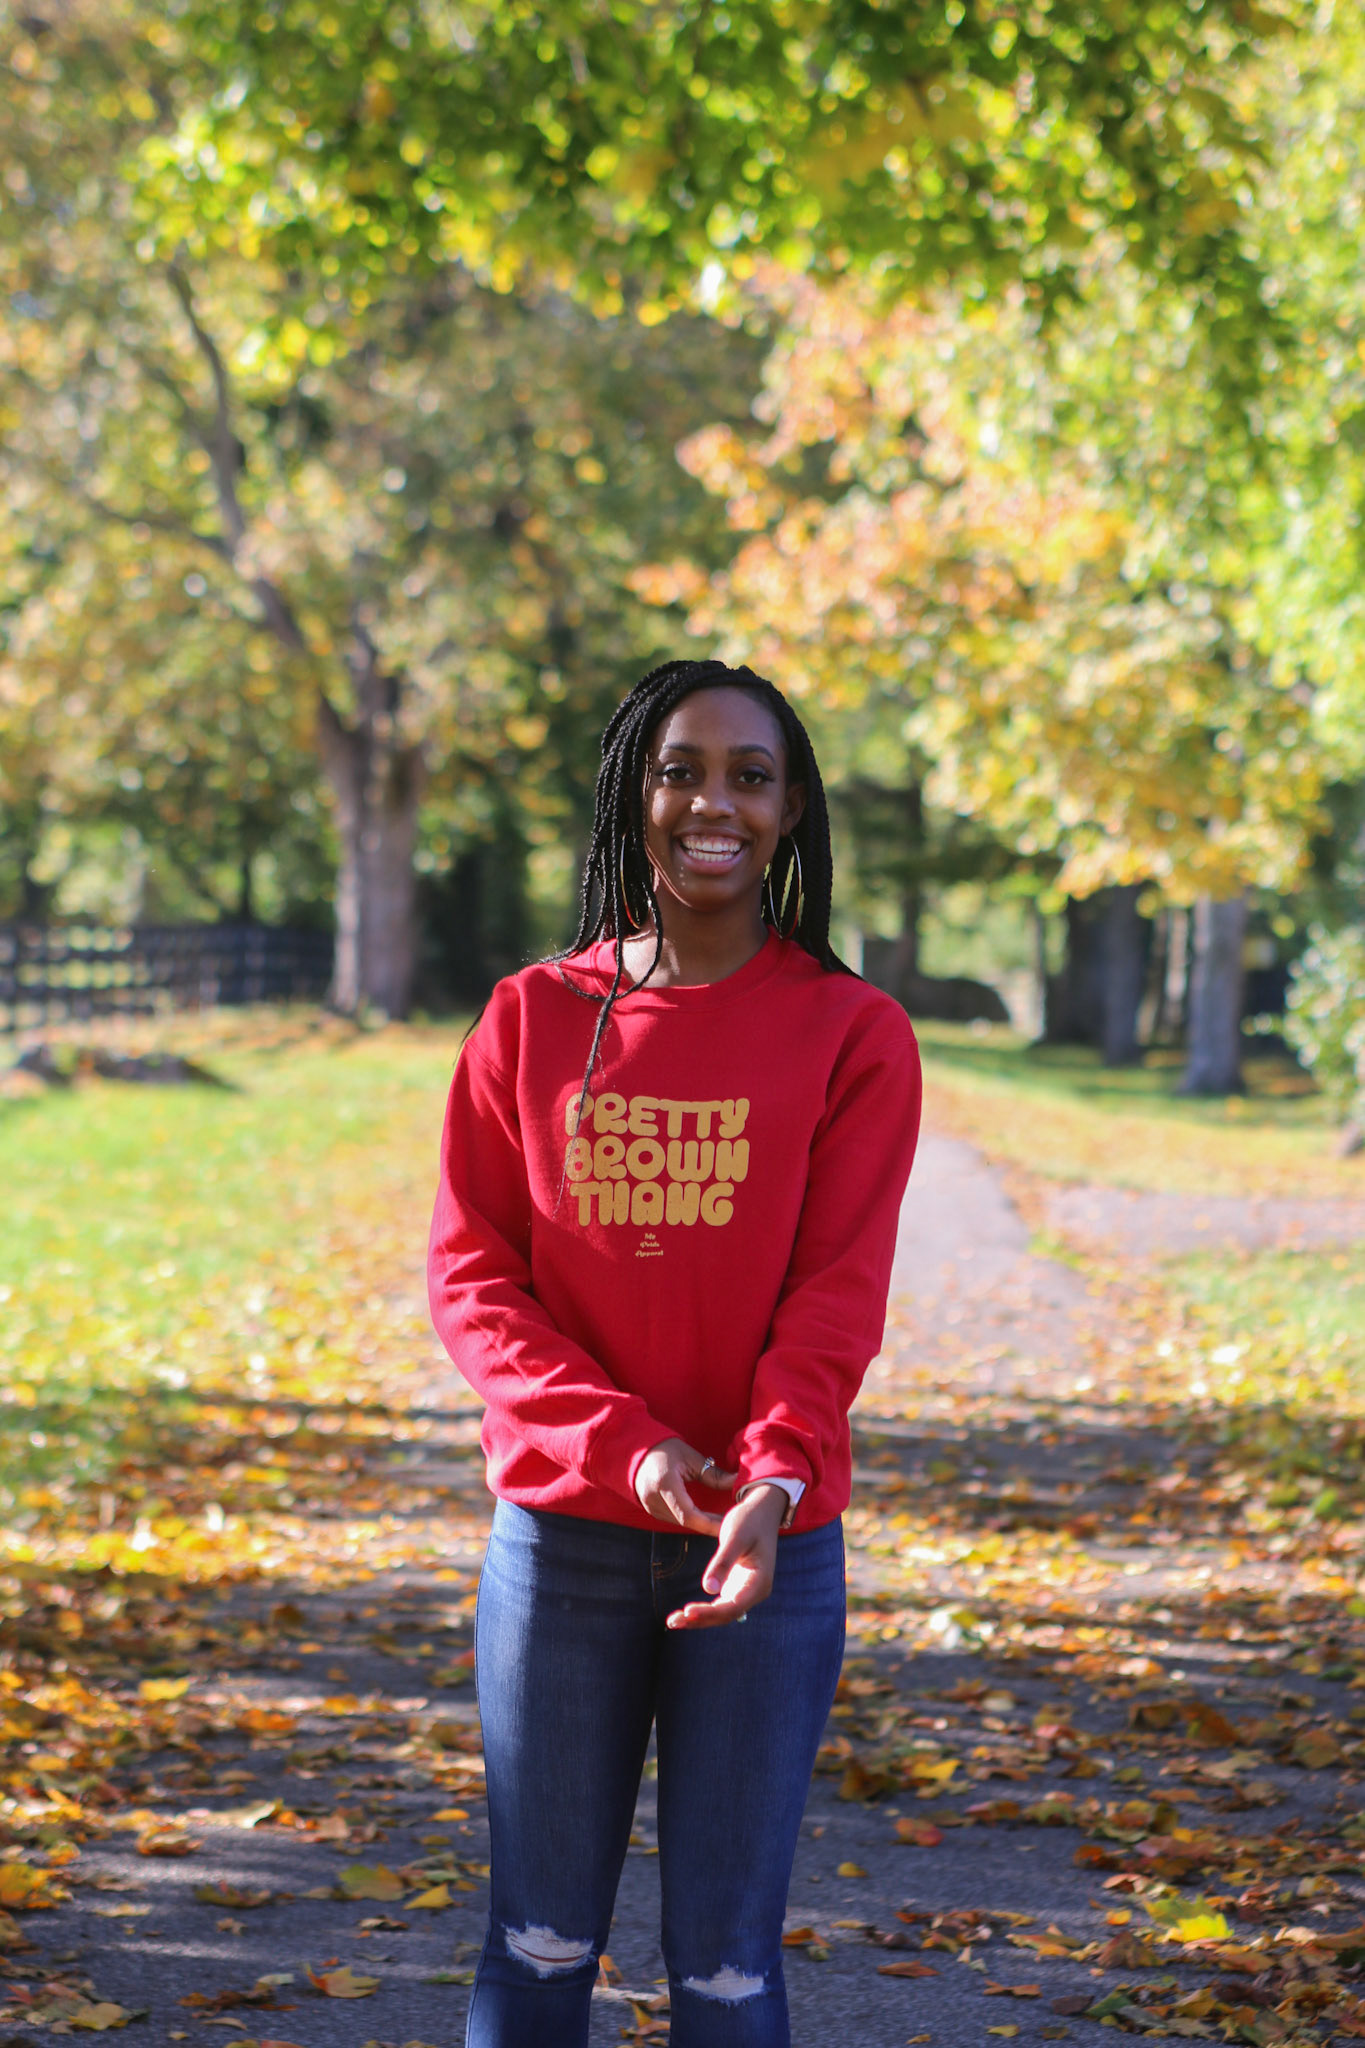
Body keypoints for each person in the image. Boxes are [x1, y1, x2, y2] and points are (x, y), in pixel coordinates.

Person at [428, 656, 921, 2048]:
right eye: (680, 771)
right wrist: (625, 1447)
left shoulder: (852, 1034)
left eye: (749, 776)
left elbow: (834, 1298)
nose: (715, 803)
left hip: (767, 1550)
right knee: (537, 1948)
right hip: (563, 1544)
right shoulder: (530, 1018)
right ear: (630, 797)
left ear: (791, 808)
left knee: (725, 1972)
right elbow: (473, 1279)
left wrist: (770, 1475)